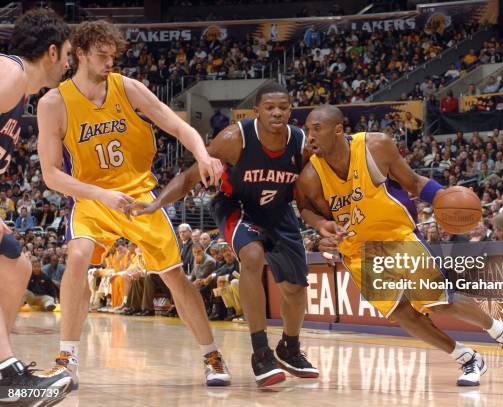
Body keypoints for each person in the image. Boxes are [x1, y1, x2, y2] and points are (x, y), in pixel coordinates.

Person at [36, 20, 229, 388]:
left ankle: (211, 354)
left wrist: (202, 154)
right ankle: (67, 359)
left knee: (174, 274)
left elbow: (178, 126)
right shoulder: (54, 103)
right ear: (79, 54)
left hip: (140, 197)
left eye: (113, 55)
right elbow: (50, 174)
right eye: (101, 56)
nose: (110, 63)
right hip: (93, 198)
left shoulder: (127, 87)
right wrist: (100, 194)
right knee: (77, 257)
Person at [295, 105, 503, 386]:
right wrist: (321, 227)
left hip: (397, 236)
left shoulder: (375, 146)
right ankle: (467, 358)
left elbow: (413, 181)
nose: (310, 136)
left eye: (317, 129)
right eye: (307, 129)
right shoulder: (311, 174)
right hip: (359, 250)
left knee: (438, 302)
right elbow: (306, 208)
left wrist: (444, 198)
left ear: (338, 130)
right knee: (402, 313)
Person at [128, 83, 319, 386]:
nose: (277, 112)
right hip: (236, 207)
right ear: (256, 111)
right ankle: (260, 352)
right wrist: (155, 204)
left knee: (296, 288)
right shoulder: (234, 138)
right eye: (269, 107)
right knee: (252, 255)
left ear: (290, 110)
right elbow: (189, 177)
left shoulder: (300, 142)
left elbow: (312, 187)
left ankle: (289, 347)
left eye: (283, 107)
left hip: (279, 211)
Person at [0, 8, 73, 403]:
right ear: (51, 52)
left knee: (16, 265)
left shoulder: (20, 94)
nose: (67, 63)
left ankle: (4, 370)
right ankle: (5, 376)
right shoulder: (9, 74)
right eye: (67, 55)